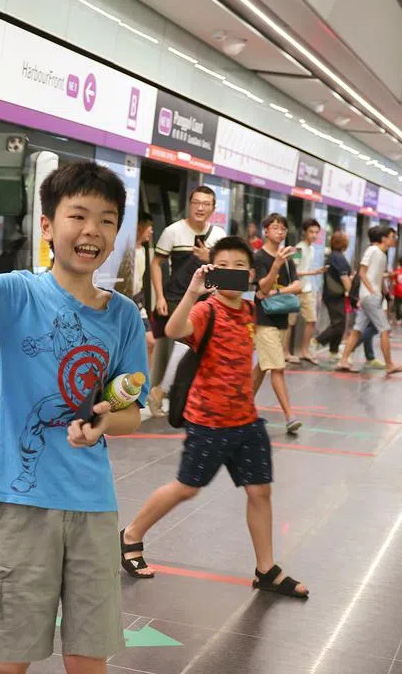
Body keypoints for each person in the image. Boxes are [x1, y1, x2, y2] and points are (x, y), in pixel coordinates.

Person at [0, 154, 150, 674]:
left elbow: (134, 409)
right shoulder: (18, 292)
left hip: (93, 503)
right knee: (11, 655)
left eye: (107, 221)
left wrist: (106, 423)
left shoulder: (124, 316)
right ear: (47, 225)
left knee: (89, 656)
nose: (92, 231)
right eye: (79, 215)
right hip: (20, 501)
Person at [118, 237, 308, 600]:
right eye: (225, 267)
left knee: (260, 491)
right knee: (186, 488)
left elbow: (266, 291)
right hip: (208, 420)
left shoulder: (249, 311)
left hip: (246, 421)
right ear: (213, 273)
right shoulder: (208, 309)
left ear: (249, 274)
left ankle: (266, 569)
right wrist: (192, 292)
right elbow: (174, 331)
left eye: (240, 267)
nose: (233, 273)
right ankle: (130, 535)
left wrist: (270, 274)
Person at [147, 187, 224, 415]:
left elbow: (224, 272)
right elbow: (156, 264)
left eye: (206, 203)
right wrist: (159, 296)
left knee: (193, 350)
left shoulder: (219, 235)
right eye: (196, 202)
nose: (200, 208)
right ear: (190, 204)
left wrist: (209, 258)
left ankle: (168, 392)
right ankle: (160, 391)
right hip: (177, 299)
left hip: (207, 300)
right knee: (184, 346)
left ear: (213, 208)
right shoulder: (173, 231)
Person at [251, 214, 302, 433]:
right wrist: (276, 265)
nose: (279, 232)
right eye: (275, 228)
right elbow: (261, 288)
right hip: (263, 319)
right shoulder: (259, 257)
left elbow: (298, 285)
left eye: (283, 229)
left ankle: (239, 408)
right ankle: (290, 416)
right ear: (266, 231)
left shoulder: (288, 258)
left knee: (263, 366)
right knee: (277, 368)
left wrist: (278, 291)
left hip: (281, 317)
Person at [336, 226, 402, 375]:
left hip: (371, 296)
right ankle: (390, 365)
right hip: (370, 297)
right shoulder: (372, 250)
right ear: (383, 238)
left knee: (357, 329)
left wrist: (383, 291)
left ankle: (343, 360)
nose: (394, 239)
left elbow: (377, 275)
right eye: (392, 236)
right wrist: (372, 290)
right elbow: (362, 272)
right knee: (385, 329)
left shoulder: (382, 253)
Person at [292, 219, 326, 364]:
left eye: (316, 232)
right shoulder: (299, 249)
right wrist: (313, 273)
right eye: (311, 232)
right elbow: (295, 271)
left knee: (311, 320)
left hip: (306, 289)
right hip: (295, 289)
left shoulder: (311, 248)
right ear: (304, 232)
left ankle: (304, 351)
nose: (314, 235)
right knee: (290, 322)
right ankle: (286, 352)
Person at [315, 230, 353, 355]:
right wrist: (352, 293)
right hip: (335, 295)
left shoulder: (333, 256)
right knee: (339, 323)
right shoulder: (339, 257)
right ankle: (317, 341)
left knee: (339, 323)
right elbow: (344, 277)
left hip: (331, 294)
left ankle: (334, 350)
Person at [131, 214, 157, 369]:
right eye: (149, 227)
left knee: (150, 341)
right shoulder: (126, 249)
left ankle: (144, 381)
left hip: (138, 301)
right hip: (129, 300)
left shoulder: (142, 250)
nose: (151, 231)